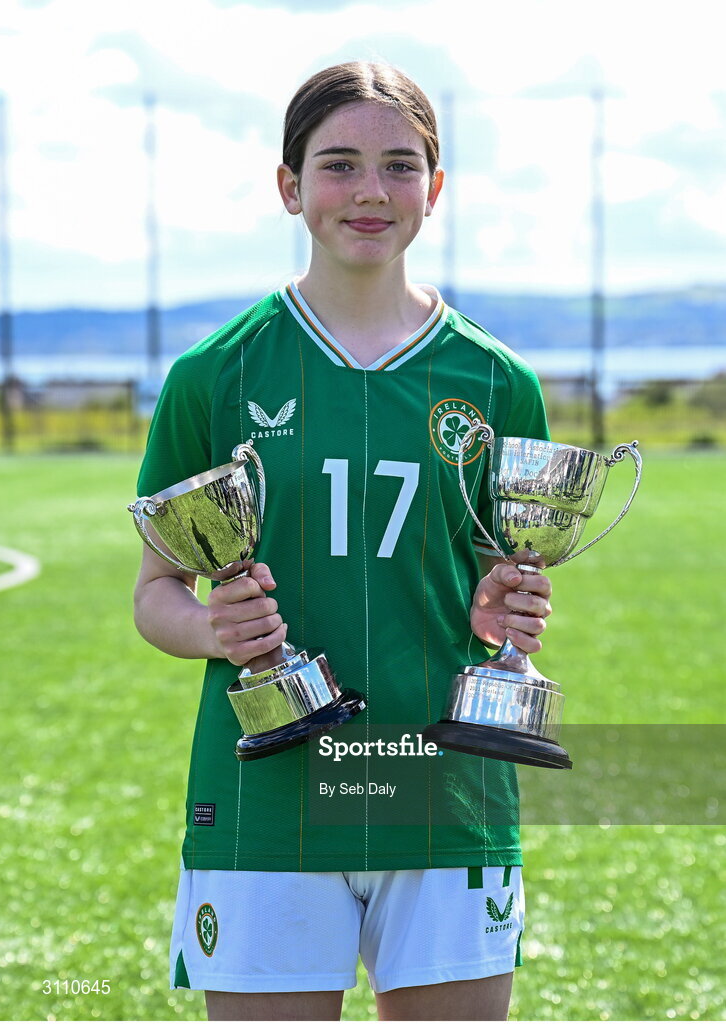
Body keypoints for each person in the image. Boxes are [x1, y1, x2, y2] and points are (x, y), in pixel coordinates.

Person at [133, 61, 553, 1022]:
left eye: (401, 166)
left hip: (441, 789)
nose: (371, 191)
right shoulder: (215, 374)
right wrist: (213, 631)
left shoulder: (498, 382)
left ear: (434, 190)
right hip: (267, 796)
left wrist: (510, 608)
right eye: (339, 164)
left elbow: (503, 586)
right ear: (290, 186)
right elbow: (157, 592)